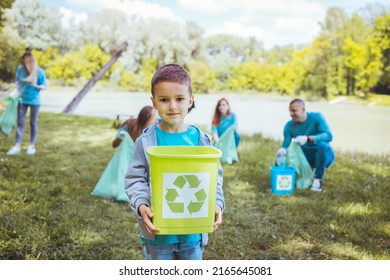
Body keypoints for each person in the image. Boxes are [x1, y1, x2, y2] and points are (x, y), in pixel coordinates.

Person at [124, 64, 225, 260]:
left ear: (190, 100)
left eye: (179, 99)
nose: (172, 106)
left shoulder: (202, 140)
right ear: (153, 102)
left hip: (192, 236)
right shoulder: (146, 141)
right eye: (164, 100)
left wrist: (218, 204)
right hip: (158, 236)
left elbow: (214, 181)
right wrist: (141, 204)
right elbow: (135, 179)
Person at [277, 98, 335, 192]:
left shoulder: (317, 117)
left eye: (294, 110)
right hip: (304, 158)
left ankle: (317, 180)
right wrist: (282, 149)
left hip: (322, 156)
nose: (291, 114)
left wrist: (308, 138)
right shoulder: (289, 126)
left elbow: (329, 136)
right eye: (290, 111)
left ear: (303, 110)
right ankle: (292, 176)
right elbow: (286, 143)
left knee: (323, 146)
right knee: (281, 157)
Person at [6, 49, 47, 155]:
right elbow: (18, 81)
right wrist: (15, 91)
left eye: (26, 62)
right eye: (23, 62)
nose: (24, 64)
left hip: (34, 101)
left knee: (33, 122)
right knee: (20, 123)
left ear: (30, 62)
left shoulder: (39, 71)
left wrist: (39, 86)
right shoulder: (20, 68)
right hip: (22, 100)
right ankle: (17, 146)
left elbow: (44, 85)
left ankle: (32, 146)